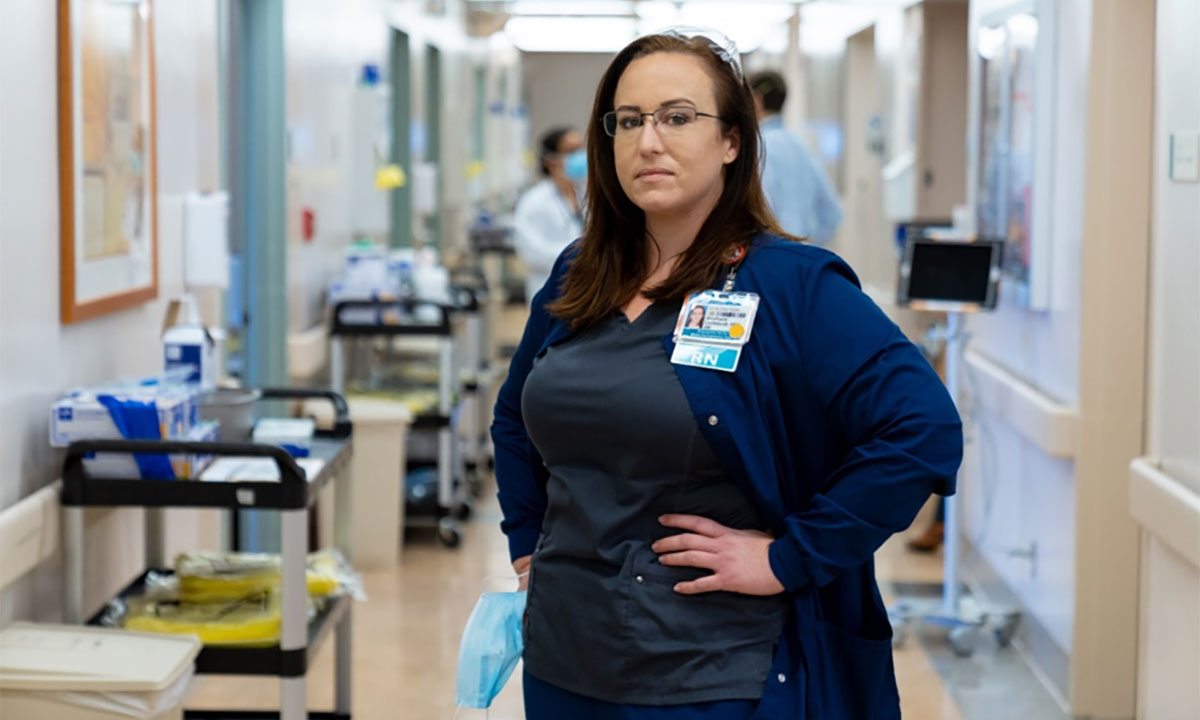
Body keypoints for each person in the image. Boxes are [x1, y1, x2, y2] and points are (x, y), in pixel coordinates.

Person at [491, 29, 962, 720]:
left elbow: (922, 430)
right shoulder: (579, 271)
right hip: (566, 656)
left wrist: (788, 558)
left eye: (678, 117)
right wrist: (528, 545)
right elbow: (513, 418)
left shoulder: (790, 286)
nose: (649, 141)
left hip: (711, 671)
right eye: (628, 121)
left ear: (733, 141)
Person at [748, 70, 843, 246]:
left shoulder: (757, 148)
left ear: (756, 100)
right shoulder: (800, 146)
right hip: (799, 259)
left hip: (770, 257)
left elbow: (759, 212)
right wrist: (806, 246)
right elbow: (833, 213)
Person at [513, 126, 586, 305]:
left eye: (580, 149)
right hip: (549, 290)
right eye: (571, 151)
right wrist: (580, 255)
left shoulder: (584, 194)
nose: (580, 156)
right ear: (550, 160)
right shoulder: (534, 201)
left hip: (583, 289)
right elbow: (531, 252)